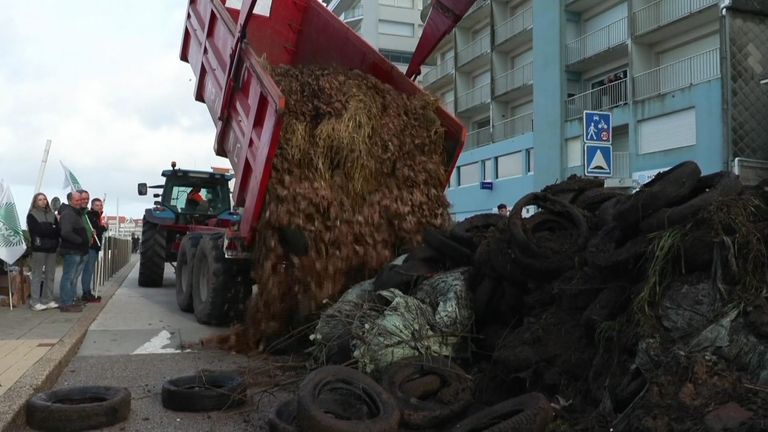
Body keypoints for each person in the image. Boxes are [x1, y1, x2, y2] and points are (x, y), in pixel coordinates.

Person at [26, 193, 60, 311]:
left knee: (50, 275)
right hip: (39, 248)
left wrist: (50, 229)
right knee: (37, 275)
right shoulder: (32, 215)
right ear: (35, 201)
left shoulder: (52, 215)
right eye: (40, 199)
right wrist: (51, 228)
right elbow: (38, 231)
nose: (43, 201)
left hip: (52, 248)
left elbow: (58, 231)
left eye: (44, 199)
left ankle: (48, 299)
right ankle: (35, 302)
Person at [57, 191, 89, 313]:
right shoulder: (68, 214)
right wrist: (80, 240)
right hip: (72, 251)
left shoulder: (76, 213)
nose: (80, 202)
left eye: (81, 200)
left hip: (78, 251)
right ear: (70, 201)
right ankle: (66, 303)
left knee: (72, 277)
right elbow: (65, 232)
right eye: (77, 200)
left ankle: (70, 301)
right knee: (68, 277)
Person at [80, 197, 108, 303]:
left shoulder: (98, 216)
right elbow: (94, 230)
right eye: (97, 205)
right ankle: (86, 292)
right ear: (92, 206)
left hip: (96, 246)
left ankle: (87, 291)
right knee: (88, 269)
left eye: (100, 205)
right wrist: (104, 227)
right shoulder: (90, 216)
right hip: (91, 246)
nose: (99, 207)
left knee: (90, 270)